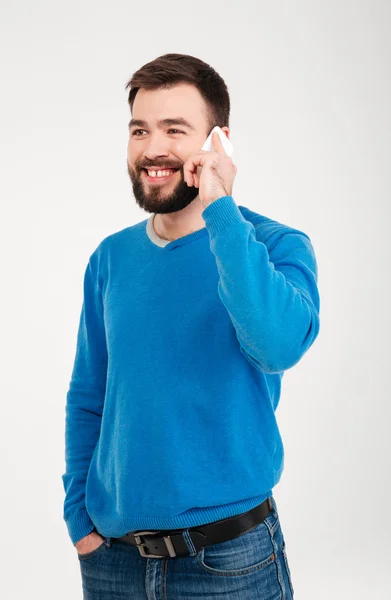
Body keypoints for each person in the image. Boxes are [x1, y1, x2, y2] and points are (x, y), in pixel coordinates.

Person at [62, 52, 320, 599]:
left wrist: (221, 208)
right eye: (139, 130)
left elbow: (276, 345)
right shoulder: (110, 258)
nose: (152, 148)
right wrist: (78, 521)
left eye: (174, 129)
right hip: (114, 565)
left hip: (229, 565)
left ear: (218, 142)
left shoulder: (276, 245)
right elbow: (90, 396)